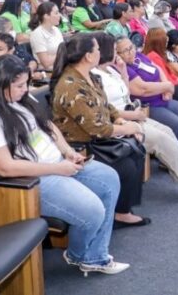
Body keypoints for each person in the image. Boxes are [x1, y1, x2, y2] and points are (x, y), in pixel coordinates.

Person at [0, 54, 128, 275]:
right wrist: (57, 169)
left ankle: (91, 256)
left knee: (108, 178)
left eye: (26, 83)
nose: (26, 89)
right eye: (20, 85)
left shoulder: (20, 99)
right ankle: (82, 254)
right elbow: (5, 167)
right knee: (92, 210)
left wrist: (68, 152)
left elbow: (49, 127)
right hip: (29, 180)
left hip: (56, 163)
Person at [94, 33, 178, 196]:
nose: (128, 52)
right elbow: (111, 106)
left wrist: (123, 72)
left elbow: (126, 92)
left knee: (170, 129)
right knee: (168, 131)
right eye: (117, 50)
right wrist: (133, 115)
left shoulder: (111, 70)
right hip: (123, 120)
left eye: (130, 48)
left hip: (133, 112)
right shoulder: (95, 76)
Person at [50, 35, 149, 230]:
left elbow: (106, 106)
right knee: (127, 164)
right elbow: (97, 128)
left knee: (136, 150)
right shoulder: (70, 85)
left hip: (97, 138)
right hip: (81, 145)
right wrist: (130, 127)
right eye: (96, 50)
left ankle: (121, 210)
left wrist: (120, 119)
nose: (100, 53)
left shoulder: (92, 76)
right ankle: (120, 213)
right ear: (88, 56)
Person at [29, 2, 64, 70]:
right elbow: (46, 63)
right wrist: (63, 54)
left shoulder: (56, 30)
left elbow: (63, 49)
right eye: (56, 13)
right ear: (46, 16)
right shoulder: (38, 34)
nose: (59, 15)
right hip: (49, 71)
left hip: (60, 65)